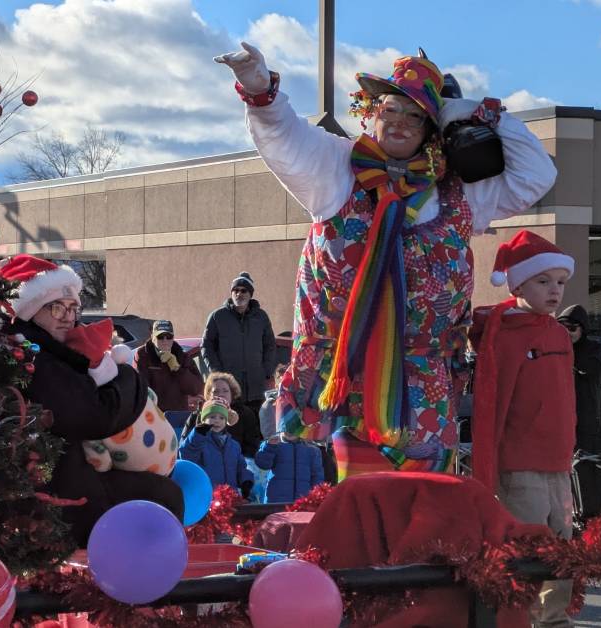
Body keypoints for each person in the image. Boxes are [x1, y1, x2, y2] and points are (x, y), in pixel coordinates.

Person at [215, 44, 556, 480]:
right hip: (334, 385)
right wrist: (258, 87)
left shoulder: (458, 194)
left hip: (423, 394)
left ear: (434, 128)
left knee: (421, 513)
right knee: (341, 516)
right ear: (371, 112)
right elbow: (284, 135)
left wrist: (472, 111)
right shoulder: (336, 166)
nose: (398, 122)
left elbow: (537, 175)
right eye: (391, 108)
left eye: (415, 115)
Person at [0, 254, 183, 545]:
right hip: (66, 498)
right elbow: (92, 414)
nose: (69, 317)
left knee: (164, 495)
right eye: (57, 308)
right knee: (163, 498)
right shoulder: (32, 357)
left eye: (73, 308)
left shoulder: (57, 351)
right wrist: (128, 379)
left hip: (73, 486)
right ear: (30, 311)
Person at [470, 230, 576, 627]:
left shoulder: (559, 333)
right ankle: (520, 620)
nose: (554, 291)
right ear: (518, 284)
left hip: (559, 461)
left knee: (562, 549)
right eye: (543, 281)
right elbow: (491, 406)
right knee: (527, 550)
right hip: (520, 465)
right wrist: (490, 468)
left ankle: (555, 619)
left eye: (560, 283)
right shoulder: (505, 337)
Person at [201, 271, 276, 417]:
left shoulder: (261, 317)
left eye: (243, 291)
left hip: (256, 390)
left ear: (250, 294)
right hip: (229, 391)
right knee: (231, 430)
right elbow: (206, 346)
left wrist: (266, 371)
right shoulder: (218, 317)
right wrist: (218, 373)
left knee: (255, 433)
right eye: (235, 290)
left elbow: (270, 346)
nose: (238, 294)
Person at [179, 397, 254, 498]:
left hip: (231, 497)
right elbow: (186, 455)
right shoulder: (199, 441)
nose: (217, 421)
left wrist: (246, 481)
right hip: (207, 496)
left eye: (222, 418)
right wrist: (197, 435)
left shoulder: (234, 445)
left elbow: (241, 467)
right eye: (212, 417)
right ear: (204, 420)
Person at [558, 305, 601, 453]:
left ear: (582, 329)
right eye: (562, 328)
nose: (566, 333)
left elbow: (590, 369)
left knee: (584, 461)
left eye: (572, 328)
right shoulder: (552, 348)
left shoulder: (594, 348)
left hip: (584, 414)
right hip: (559, 413)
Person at [135, 320, 202, 413]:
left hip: (178, 414)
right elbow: (142, 388)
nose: (165, 341)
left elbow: (195, 388)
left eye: (169, 337)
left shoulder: (182, 356)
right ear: (152, 337)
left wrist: (177, 369)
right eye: (160, 337)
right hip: (153, 414)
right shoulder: (143, 355)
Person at [255, 431, 326, 503]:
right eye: (286, 428)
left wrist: (315, 496)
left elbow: (317, 476)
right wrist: (269, 447)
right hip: (276, 500)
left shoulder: (311, 449)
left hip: (302, 501)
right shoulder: (273, 444)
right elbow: (263, 464)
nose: (289, 432)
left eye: (293, 428)